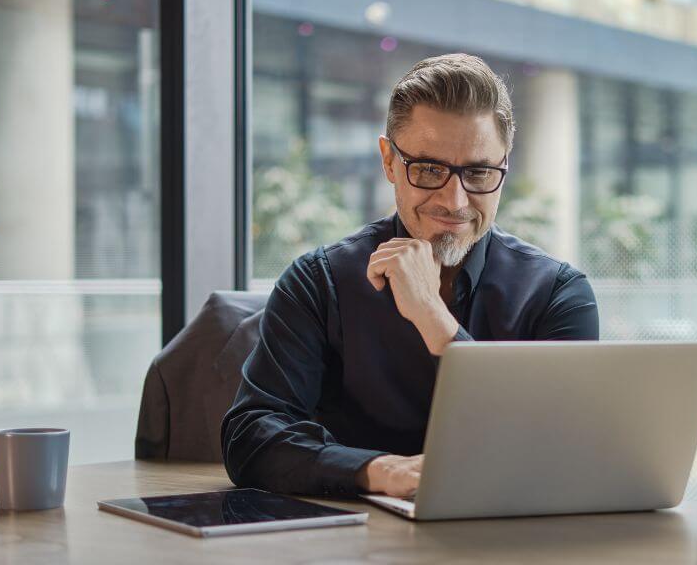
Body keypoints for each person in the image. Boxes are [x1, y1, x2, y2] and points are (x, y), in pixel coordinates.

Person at [221, 53, 599, 499]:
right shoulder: (319, 282)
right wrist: (379, 472)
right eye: (429, 169)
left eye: (478, 172)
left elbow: (561, 450)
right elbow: (250, 437)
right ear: (388, 161)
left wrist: (433, 319)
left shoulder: (559, 295)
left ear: (504, 167)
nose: (455, 200)